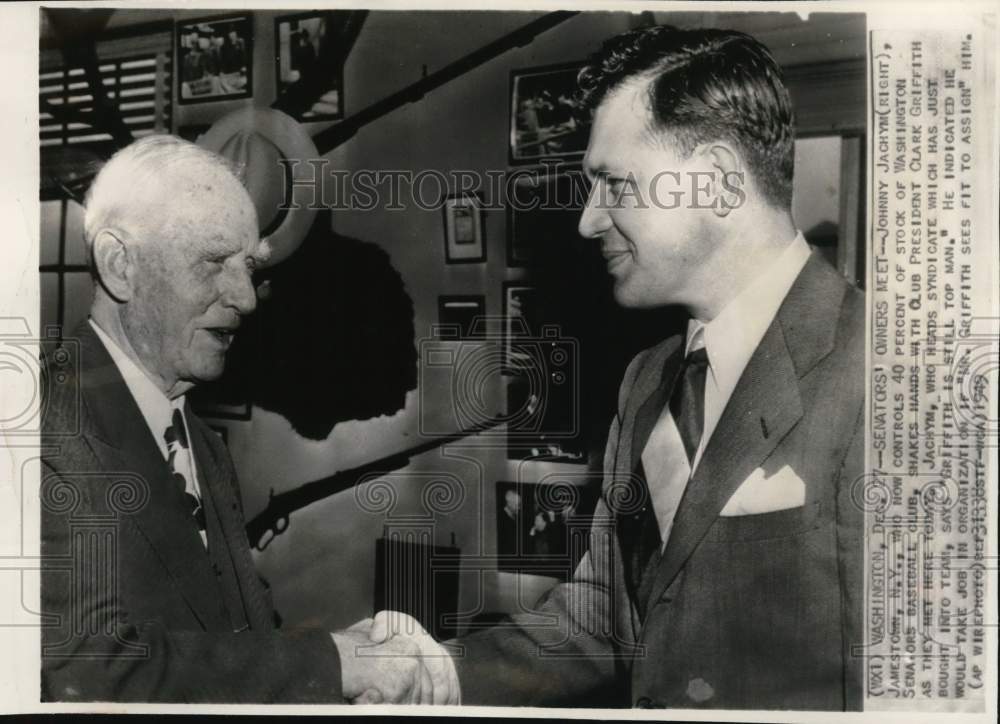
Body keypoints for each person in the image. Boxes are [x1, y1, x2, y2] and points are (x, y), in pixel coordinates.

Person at [376, 25, 865, 710]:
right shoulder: (647, 380)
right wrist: (439, 674)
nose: (586, 219)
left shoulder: (890, 370)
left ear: (718, 181)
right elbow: (598, 622)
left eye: (612, 182)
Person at [39, 135, 438, 704]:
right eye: (212, 261)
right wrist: (329, 664)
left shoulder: (200, 442)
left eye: (248, 266)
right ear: (119, 265)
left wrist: (347, 655)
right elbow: (89, 672)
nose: (247, 299)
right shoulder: (39, 425)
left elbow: (233, 638)